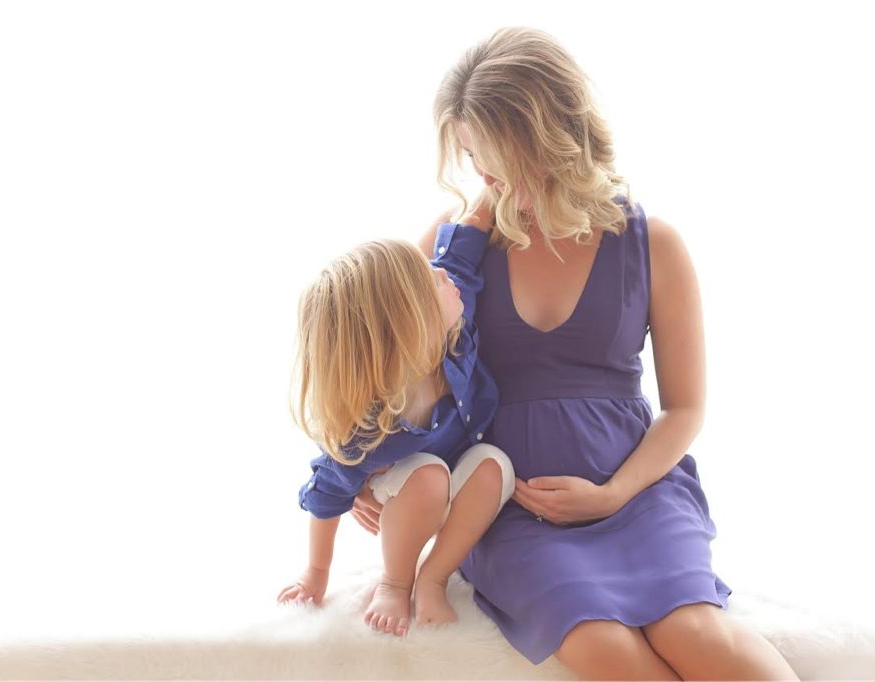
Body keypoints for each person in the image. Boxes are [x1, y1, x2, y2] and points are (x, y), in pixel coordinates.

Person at [349, 27, 800, 680]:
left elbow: (685, 409)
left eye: (496, 155)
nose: (485, 177)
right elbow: (382, 373)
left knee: (696, 631)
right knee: (601, 645)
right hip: (508, 505)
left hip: (638, 492)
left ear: (552, 136)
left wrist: (612, 494)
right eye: (473, 156)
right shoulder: (452, 247)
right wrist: (362, 471)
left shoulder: (653, 244)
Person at [276, 202, 515, 639]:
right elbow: (327, 495)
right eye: (430, 279)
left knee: (495, 465)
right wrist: (315, 573)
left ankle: (433, 577)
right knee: (427, 477)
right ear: (408, 326)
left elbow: (458, 256)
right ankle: (396, 583)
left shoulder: (453, 316)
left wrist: (486, 200)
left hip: (460, 479)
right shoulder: (366, 429)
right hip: (409, 492)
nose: (441, 273)